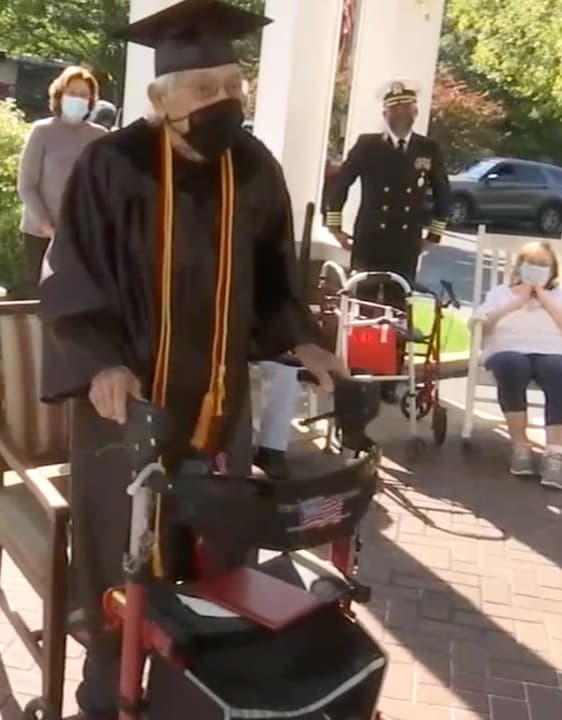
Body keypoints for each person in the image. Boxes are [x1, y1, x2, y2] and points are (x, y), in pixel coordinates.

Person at [37, 1, 346, 717]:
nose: (224, 103)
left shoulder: (255, 167)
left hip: (219, 407)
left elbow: (273, 279)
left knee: (217, 552)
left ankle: (196, 693)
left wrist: (302, 339)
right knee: (122, 556)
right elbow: (70, 280)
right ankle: (105, 692)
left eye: (233, 88)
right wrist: (102, 363)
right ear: (161, 100)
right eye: (205, 90)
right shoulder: (110, 166)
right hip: (126, 410)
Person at [477, 241, 562, 490]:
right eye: (531, 264)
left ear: (553, 271)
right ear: (520, 267)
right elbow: (483, 326)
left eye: (543, 266)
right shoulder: (500, 294)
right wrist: (518, 301)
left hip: (552, 350)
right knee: (512, 366)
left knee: (560, 371)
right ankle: (520, 445)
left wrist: (546, 301)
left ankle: (554, 453)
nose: (536, 270)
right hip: (508, 348)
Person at [322, 79, 451, 283]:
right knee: (362, 298)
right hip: (370, 237)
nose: (400, 114)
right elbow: (341, 184)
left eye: (406, 109)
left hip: (406, 240)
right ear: (385, 115)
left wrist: (433, 236)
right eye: (394, 109)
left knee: (399, 300)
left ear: (415, 113)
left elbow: (442, 193)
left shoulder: (428, 148)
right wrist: (335, 228)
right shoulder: (368, 145)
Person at [16, 65, 107, 297]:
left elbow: (103, 188)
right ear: (60, 95)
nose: (78, 99)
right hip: (40, 234)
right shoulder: (42, 131)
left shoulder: (99, 137)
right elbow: (27, 185)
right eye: (72, 93)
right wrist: (48, 227)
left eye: (84, 95)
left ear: (91, 101)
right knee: (43, 298)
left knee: (75, 299)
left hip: (81, 237)